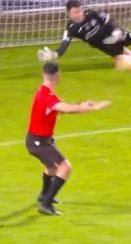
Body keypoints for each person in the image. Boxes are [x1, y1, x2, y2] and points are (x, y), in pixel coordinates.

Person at [27, 62, 110, 215]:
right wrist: (92, 108)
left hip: (40, 140)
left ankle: (44, 195)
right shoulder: (47, 95)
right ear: (58, 76)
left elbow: (59, 108)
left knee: (52, 167)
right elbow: (65, 109)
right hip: (38, 142)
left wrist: (82, 105)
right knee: (65, 168)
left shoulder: (43, 90)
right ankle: (45, 205)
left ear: (43, 75)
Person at [38, 0, 131, 68]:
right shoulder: (71, 28)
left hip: (115, 34)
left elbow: (109, 20)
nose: (79, 13)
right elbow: (64, 45)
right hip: (106, 47)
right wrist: (54, 55)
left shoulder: (91, 14)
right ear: (69, 14)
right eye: (75, 12)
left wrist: (116, 31)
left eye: (80, 10)